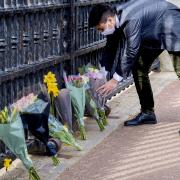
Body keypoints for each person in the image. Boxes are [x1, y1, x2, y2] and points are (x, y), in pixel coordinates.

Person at [88, 0, 180, 126]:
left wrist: (115, 80)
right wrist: (102, 74)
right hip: (153, 32)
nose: (101, 32)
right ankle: (148, 113)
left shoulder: (130, 19)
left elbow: (132, 50)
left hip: (173, 27)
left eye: (101, 29)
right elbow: (110, 48)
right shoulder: (115, 21)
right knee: (139, 67)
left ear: (109, 20)